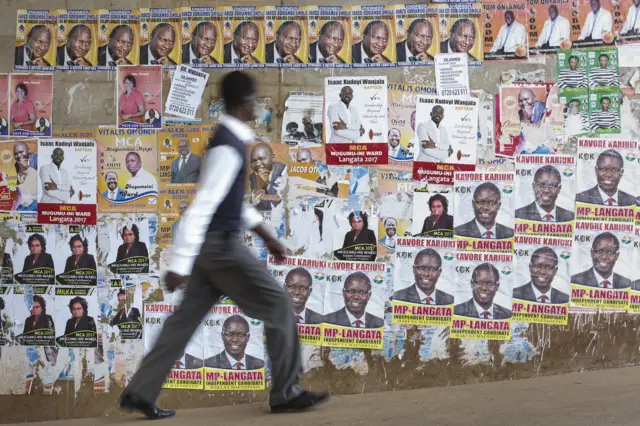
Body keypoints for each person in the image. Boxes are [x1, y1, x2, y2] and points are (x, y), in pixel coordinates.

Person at [118, 71, 329, 418]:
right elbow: (203, 205)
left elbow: (231, 203)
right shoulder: (228, 147)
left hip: (212, 250)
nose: (257, 107)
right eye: (253, 101)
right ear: (240, 102)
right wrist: (180, 263)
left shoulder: (229, 142)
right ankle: (287, 392)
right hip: (221, 249)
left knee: (183, 322)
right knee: (279, 306)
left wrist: (267, 235)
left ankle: (140, 392)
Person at [249, 143, 286, 211]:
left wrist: (266, 187)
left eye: (262, 159)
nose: (257, 164)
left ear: (272, 158)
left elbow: (276, 207)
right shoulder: (253, 176)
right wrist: (258, 188)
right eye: (253, 161)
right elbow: (256, 207)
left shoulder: (284, 172)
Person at [13, 141, 37, 211]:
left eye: (21, 152)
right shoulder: (17, 164)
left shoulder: (36, 159)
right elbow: (21, 183)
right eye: (16, 154)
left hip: (36, 201)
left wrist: (27, 168)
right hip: (23, 201)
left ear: (28, 149)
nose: (19, 155)